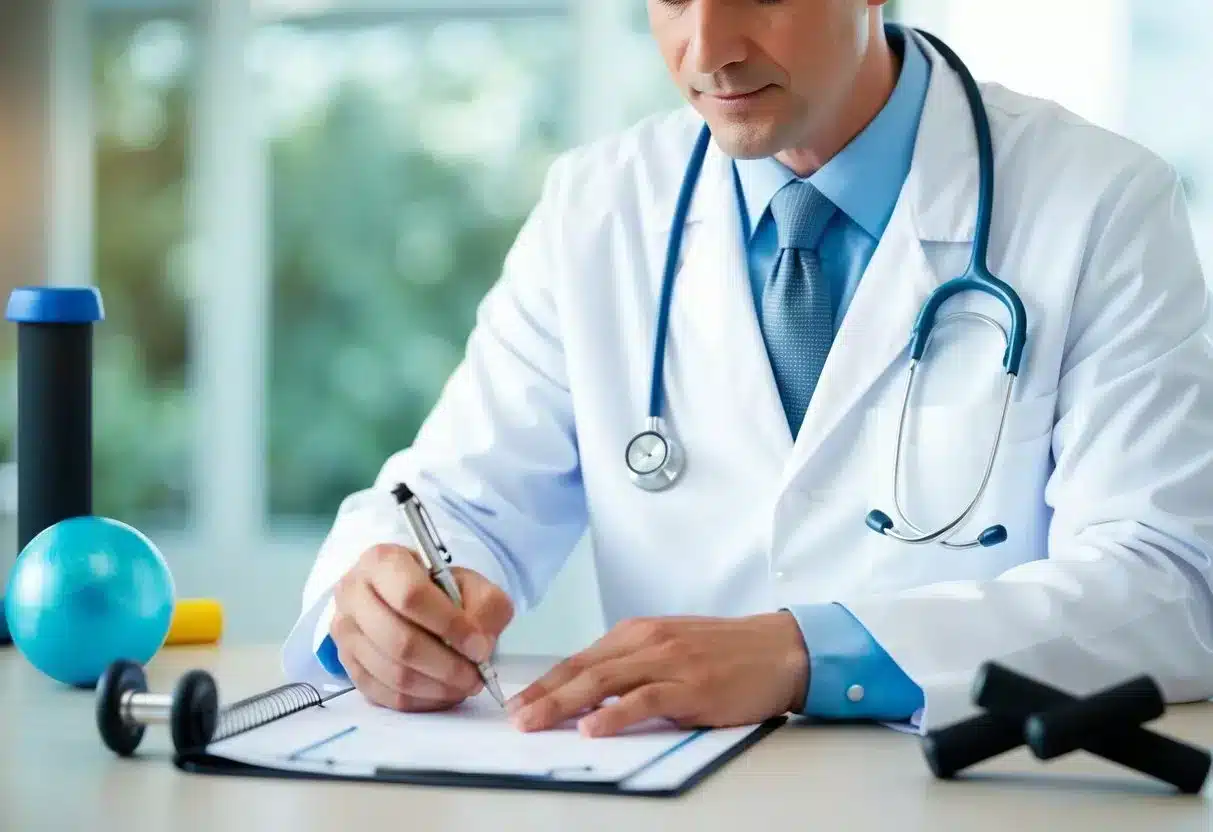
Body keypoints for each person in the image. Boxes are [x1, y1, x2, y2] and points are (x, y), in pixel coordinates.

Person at [282, 0, 1213, 736]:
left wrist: (809, 654)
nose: (707, 49)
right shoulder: (598, 207)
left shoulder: (1096, 203)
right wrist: (387, 602)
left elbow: (1169, 582)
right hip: (667, 796)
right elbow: (459, 503)